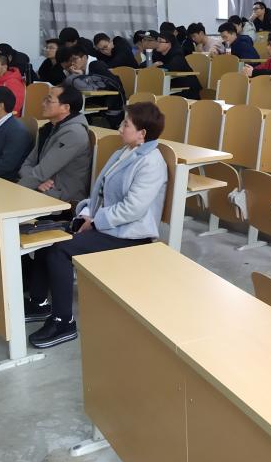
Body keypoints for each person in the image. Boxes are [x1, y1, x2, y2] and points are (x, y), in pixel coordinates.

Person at [25, 102, 168, 348]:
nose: (120, 128)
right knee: (49, 237)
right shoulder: (123, 152)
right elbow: (100, 193)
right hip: (108, 225)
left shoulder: (151, 163)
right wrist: (86, 215)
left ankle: (63, 322)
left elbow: (133, 209)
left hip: (129, 234)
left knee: (60, 250)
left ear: (142, 133)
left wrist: (96, 221)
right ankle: (39, 302)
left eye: (126, 124)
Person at [17, 85, 92, 206]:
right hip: (41, 190)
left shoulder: (74, 134)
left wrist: (15, 191)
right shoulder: (49, 128)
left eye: (49, 101)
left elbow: (41, 173)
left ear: (65, 108)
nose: (43, 104)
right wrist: (37, 183)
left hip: (61, 200)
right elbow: (27, 165)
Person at [152, 32, 203, 99]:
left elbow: (172, 67)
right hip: (171, 87)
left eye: (160, 41)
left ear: (169, 44)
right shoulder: (157, 53)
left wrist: (157, 66)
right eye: (157, 41)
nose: (157, 43)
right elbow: (144, 65)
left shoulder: (177, 54)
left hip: (187, 89)